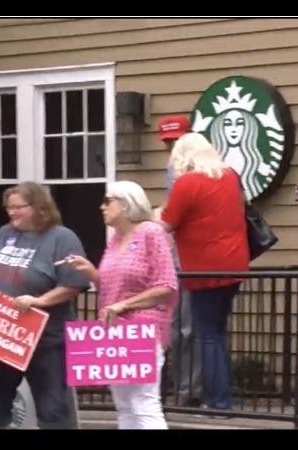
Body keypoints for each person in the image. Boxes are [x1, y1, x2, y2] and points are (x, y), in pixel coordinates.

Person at [0, 181, 90, 429]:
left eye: (17, 207)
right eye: (8, 208)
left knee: (53, 411)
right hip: (0, 337)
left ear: (38, 207)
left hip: (45, 342)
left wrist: (39, 301)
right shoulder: (4, 233)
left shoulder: (61, 238)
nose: (11, 212)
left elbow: (75, 282)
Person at [64, 180, 177, 429]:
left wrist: (123, 305)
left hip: (143, 328)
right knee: (124, 405)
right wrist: (91, 272)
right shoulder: (115, 240)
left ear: (126, 204)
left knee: (144, 403)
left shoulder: (151, 232)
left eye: (108, 201)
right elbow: (112, 289)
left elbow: (166, 286)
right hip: (115, 329)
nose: (101, 206)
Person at [157, 132, 249, 412]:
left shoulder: (188, 182)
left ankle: (218, 401)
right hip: (235, 264)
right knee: (218, 331)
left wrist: (153, 216)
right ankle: (219, 396)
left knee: (207, 334)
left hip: (203, 267)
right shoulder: (230, 176)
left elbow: (168, 222)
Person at [157, 115, 203, 407]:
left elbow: (175, 217)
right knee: (176, 327)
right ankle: (182, 387)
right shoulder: (172, 168)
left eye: (176, 139)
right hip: (173, 260)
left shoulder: (192, 172)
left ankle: (190, 390)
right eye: (168, 142)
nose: (172, 145)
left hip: (189, 260)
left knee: (189, 328)